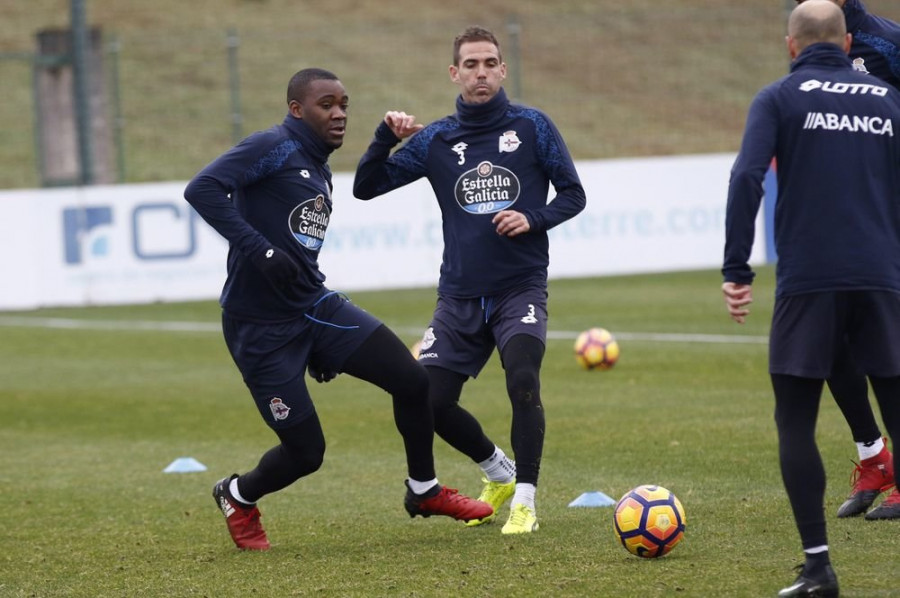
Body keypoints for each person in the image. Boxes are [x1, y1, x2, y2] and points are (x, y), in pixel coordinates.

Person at [183, 68, 492, 551]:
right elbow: (201, 190)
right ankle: (238, 495)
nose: (339, 113)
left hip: (315, 308)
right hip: (258, 329)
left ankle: (423, 490)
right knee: (307, 454)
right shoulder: (271, 146)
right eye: (327, 104)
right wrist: (260, 250)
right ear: (296, 110)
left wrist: (320, 347)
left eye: (344, 103)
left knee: (413, 382)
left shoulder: (317, 162)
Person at [353, 26, 586, 534]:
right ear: (454, 73)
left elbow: (573, 195)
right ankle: (496, 470)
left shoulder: (532, 127)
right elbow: (366, 188)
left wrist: (533, 218)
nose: (481, 73)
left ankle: (524, 497)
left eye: (489, 64)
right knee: (427, 400)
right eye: (471, 65)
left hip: (519, 286)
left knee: (523, 379)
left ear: (502, 70)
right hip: (458, 295)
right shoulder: (436, 139)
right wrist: (383, 139)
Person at [722, 1, 900, 595]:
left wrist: (737, 269)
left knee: (795, 420)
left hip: (809, 280)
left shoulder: (778, 97)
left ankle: (820, 567)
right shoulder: (887, 100)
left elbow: (748, 176)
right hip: (881, 276)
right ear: (849, 44)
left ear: (791, 46)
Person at [793, 0, 900, 521]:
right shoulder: (806, 42)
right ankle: (873, 457)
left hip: (888, 220)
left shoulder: (886, 40)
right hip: (835, 225)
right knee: (831, 343)